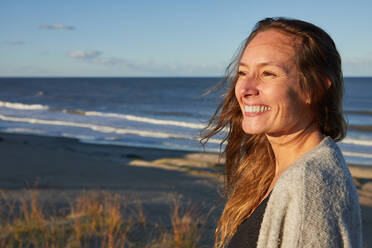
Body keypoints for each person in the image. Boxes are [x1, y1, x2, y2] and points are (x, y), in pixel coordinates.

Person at [202, 17, 362, 248]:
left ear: (314, 88)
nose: (245, 89)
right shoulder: (271, 169)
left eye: (268, 74)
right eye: (243, 72)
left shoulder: (309, 185)